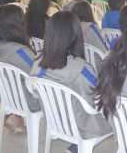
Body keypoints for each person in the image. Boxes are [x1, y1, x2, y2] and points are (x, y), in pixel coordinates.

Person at [30, 11, 112, 153]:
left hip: (54, 119)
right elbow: (97, 100)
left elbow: (35, 92)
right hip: (85, 124)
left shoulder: (38, 60)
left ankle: (74, 148)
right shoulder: (81, 68)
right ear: (75, 35)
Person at [0, 4, 39, 131]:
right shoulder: (19, 52)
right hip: (26, 100)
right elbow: (38, 72)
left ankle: (13, 116)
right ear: (18, 25)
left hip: (5, 96)